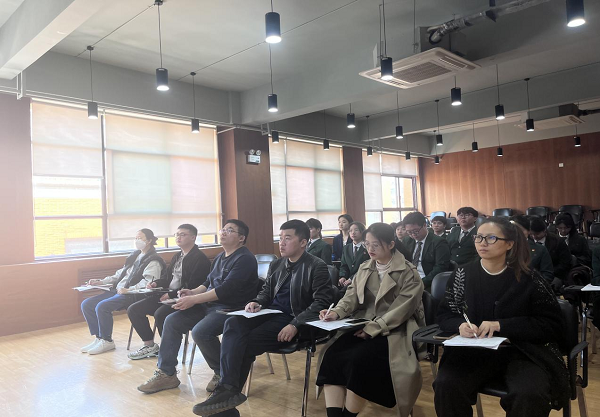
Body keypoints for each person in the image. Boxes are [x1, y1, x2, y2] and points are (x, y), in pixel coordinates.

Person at [192, 220, 333, 416]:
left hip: (293, 318)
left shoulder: (316, 266)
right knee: (233, 322)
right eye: (280, 238)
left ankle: (226, 398)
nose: (281, 243)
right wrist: (256, 302)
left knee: (244, 343)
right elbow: (266, 292)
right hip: (271, 313)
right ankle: (227, 391)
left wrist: (295, 324)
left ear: (303, 242)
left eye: (288, 238)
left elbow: (321, 302)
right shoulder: (277, 264)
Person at [433, 217, 569, 417]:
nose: (482, 243)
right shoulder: (462, 274)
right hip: (474, 352)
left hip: (523, 352)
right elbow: (446, 314)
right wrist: (460, 325)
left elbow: (551, 324)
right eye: (479, 237)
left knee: (529, 394)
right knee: (446, 385)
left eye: (491, 238)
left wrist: (501, 325)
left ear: (509, 244)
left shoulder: (529, 278)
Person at [137, 220, 259, 394]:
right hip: (211, 305)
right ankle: (167, 373)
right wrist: (192, 292)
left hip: (232, 308)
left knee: (201, 332)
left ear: (241, 238)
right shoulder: (220, 256)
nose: (223, 232)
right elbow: (208, 282)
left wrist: (194, 299)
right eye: (223, 229)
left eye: (230, 230)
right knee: (171, 321)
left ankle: (223, 373)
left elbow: (225, 290)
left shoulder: (245, 259)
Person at [316, 222, 425, 417]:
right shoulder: (365, 267)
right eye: (367, 244)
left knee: (361, 360)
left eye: (376, 244)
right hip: (363, 324)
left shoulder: (409, 272)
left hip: (394, 329)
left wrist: (374, 328)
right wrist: (337, 312)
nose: (370, 249)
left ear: (391, 244)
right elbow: (350, 296)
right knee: (332, 354)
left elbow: (402, 309)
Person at [126, 224, 211, 360]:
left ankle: (168, 350)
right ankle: (149, 345)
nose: (178, 237)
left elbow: (193, 286)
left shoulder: (200, 259)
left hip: (185, 298)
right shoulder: (177, 256)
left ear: (193, 237)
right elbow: (167, 278)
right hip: (168, 295)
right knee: (134, 309)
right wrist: (156, 283)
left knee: (161, 314)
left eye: (183, 234)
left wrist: (171, 294)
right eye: (177, 234)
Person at [80, 229, 166, 355]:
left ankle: (107, 341)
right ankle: (99, 338)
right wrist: (100, 281)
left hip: (132, 294)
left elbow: (149, 282)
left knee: (102, 306)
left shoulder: (154, 260)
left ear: (149, 241)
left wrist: (129, 289)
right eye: (136, 238)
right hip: (118, 290)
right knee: (87, 304)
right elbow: (120, 274)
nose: (137, 241)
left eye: (140, 238)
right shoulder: (135, 256)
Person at [402, 212, 451, 291]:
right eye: (409, 232)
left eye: (415, 231)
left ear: (424, 225)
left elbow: (440, 268)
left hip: (428, 280)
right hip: (409, 278)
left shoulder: (439, 242)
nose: (413, 234)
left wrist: (421, 283)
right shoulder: (407, 240)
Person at [511, 215, 555, 286]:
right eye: (514, 230)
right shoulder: (504, 248)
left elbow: (547, 274)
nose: (517, 233)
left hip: (532, 287)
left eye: (521, 230)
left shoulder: (540, 249)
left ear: (528, 231)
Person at [530, 216, 572, 286]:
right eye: (532, 234)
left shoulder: (558, 242)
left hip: (555, 274)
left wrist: (548, 272)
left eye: (537, 234)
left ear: (544, 231)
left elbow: (565, 264)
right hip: (533, 275)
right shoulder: (529, 241)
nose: (534, 237)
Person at [337, 221, 369, 290]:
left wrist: (351, 279)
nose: (353, 233)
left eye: (356, 230)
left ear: (362, 232)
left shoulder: (367, 248)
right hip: (347, 281)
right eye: (350, 231)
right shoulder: (346, 248)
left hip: (363, 280)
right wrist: (343, 276)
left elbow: (366, 268)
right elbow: (344, 265)